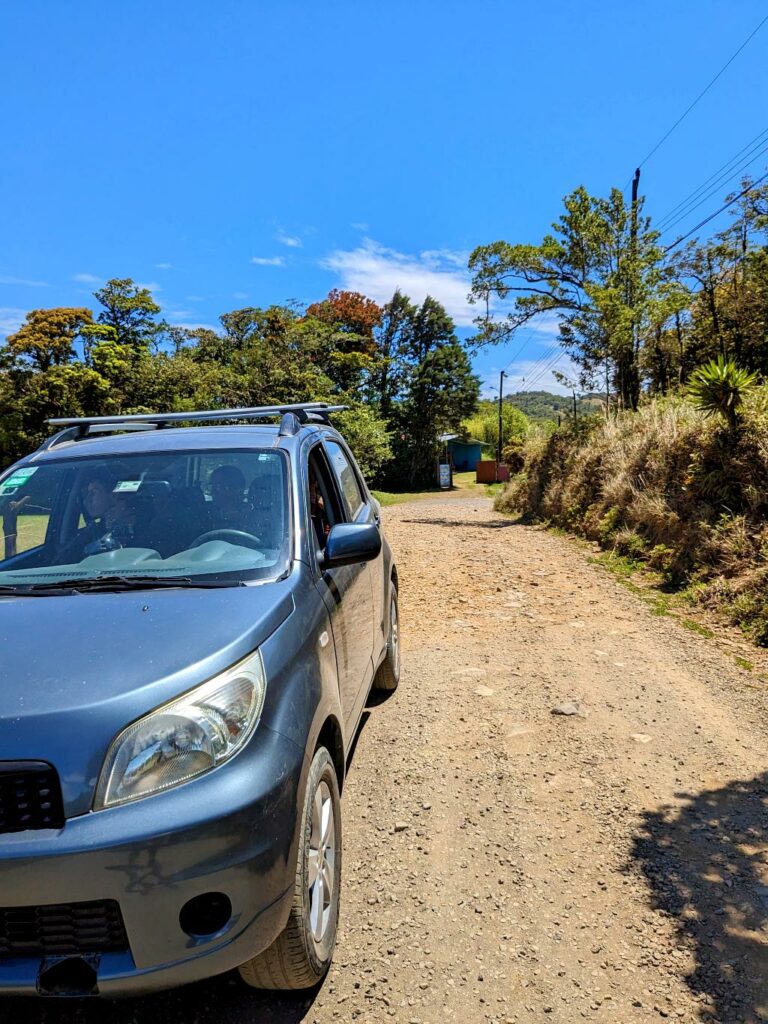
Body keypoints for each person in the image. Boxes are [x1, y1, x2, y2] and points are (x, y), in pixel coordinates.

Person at [207, 465, 250, 531]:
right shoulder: (204, 516)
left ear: (233, 489)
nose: (212, 492)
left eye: (217, 487)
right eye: (212, 486)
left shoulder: (253, 518)